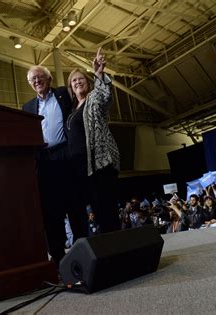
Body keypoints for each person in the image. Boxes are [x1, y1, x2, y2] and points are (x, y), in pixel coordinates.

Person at [22, 65, 86, 267]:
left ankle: (83, 252)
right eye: (33, 79)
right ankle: (58, 258)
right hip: (44, 162)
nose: (37, 81)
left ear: (49, 78)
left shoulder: (63, 94)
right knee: (51, 212)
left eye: (40, 77)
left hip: (66, 155)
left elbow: (81, 100)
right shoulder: (27, 107)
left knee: (75, 206)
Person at [65, 47, 121, 234]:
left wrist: (99, 73)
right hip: (79, 167)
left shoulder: (93, 99)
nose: (77, 82)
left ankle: (117, 250)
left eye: (80, 78)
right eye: (73, 81)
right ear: (70, 88)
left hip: (99, 163)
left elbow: (105, 96)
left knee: (106, 209)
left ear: (87, 83)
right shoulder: (72, 111)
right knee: (92, 211)